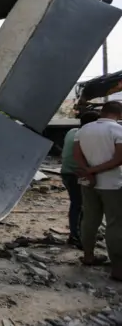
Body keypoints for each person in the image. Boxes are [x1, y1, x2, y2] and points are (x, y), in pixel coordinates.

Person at [73, 101, 122, 281]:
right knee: (115, 224)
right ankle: (118, 269)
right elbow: (118, 160)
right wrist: (93, 171)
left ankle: (88, 256)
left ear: (103, 112)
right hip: (113, 184)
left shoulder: (84, 130)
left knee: (90, 220)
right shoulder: (117, 130)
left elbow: (76, 154)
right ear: (119, 113)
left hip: (88, 183)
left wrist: (87, 171)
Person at [61, 111, 99, 247]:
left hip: (67, 173)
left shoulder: (72, 131)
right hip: (77, 175)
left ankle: (79, 233)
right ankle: (76, 236)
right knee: (80, 204)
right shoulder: (87, 136)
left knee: (78, 203)